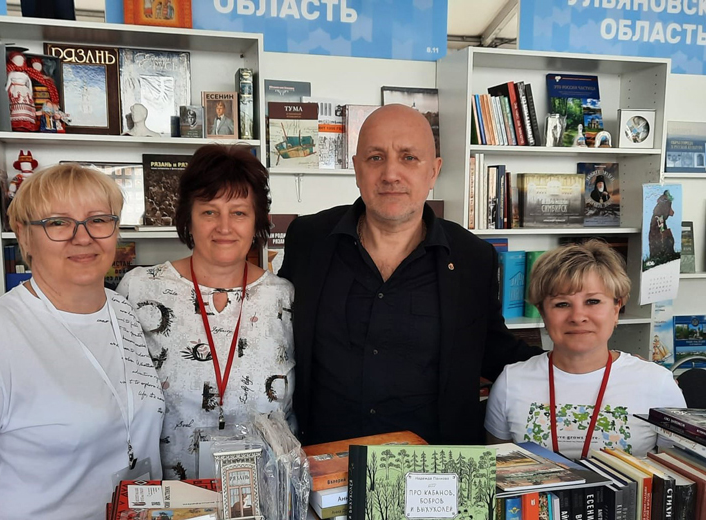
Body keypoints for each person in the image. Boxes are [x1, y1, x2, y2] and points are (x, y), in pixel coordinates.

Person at [278, 104, 541, 446]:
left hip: (433, 467)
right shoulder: (309, 239)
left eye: (408, 158)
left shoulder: (472, 258)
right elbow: (276, 331)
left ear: (433, 171)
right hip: (323, 463)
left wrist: (577, 363)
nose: (391, 174)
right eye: (375, 157)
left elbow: (494, 351)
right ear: (357, 169)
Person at [0, 164, 164, 520]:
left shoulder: (123, 310)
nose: (83, 238)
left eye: (98, 220)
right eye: (58, 223)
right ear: (24, 235)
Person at [117, 144, 294, 480]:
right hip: (169, 495)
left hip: (266, 490)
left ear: (256, 221)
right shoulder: (140, 289)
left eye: (239, 213)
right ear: (188, 218)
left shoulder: (283, 296)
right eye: (209, 212)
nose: (224, 227)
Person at [484, 240, 686, 459]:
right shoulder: (511, 382)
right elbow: (500, 468)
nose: (578, 317)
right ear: (542, 313)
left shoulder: (658, 383)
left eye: (593, 301)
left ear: (616, 308)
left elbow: (680, 470)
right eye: (562, 304)